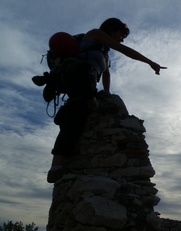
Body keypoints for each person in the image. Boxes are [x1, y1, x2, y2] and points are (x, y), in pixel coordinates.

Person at [46, 18, 166, 183]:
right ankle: (56, 166)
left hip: (85, 84)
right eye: (121, 34)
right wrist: (150, 62)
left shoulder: (104, 53)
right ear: (111, 29)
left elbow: (106, 74)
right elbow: (124, 49)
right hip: (78, 76)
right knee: (75, 116)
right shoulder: (95, 34)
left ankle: (78, 107)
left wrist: (107, 94)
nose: (122, 38)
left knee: (77, 112)